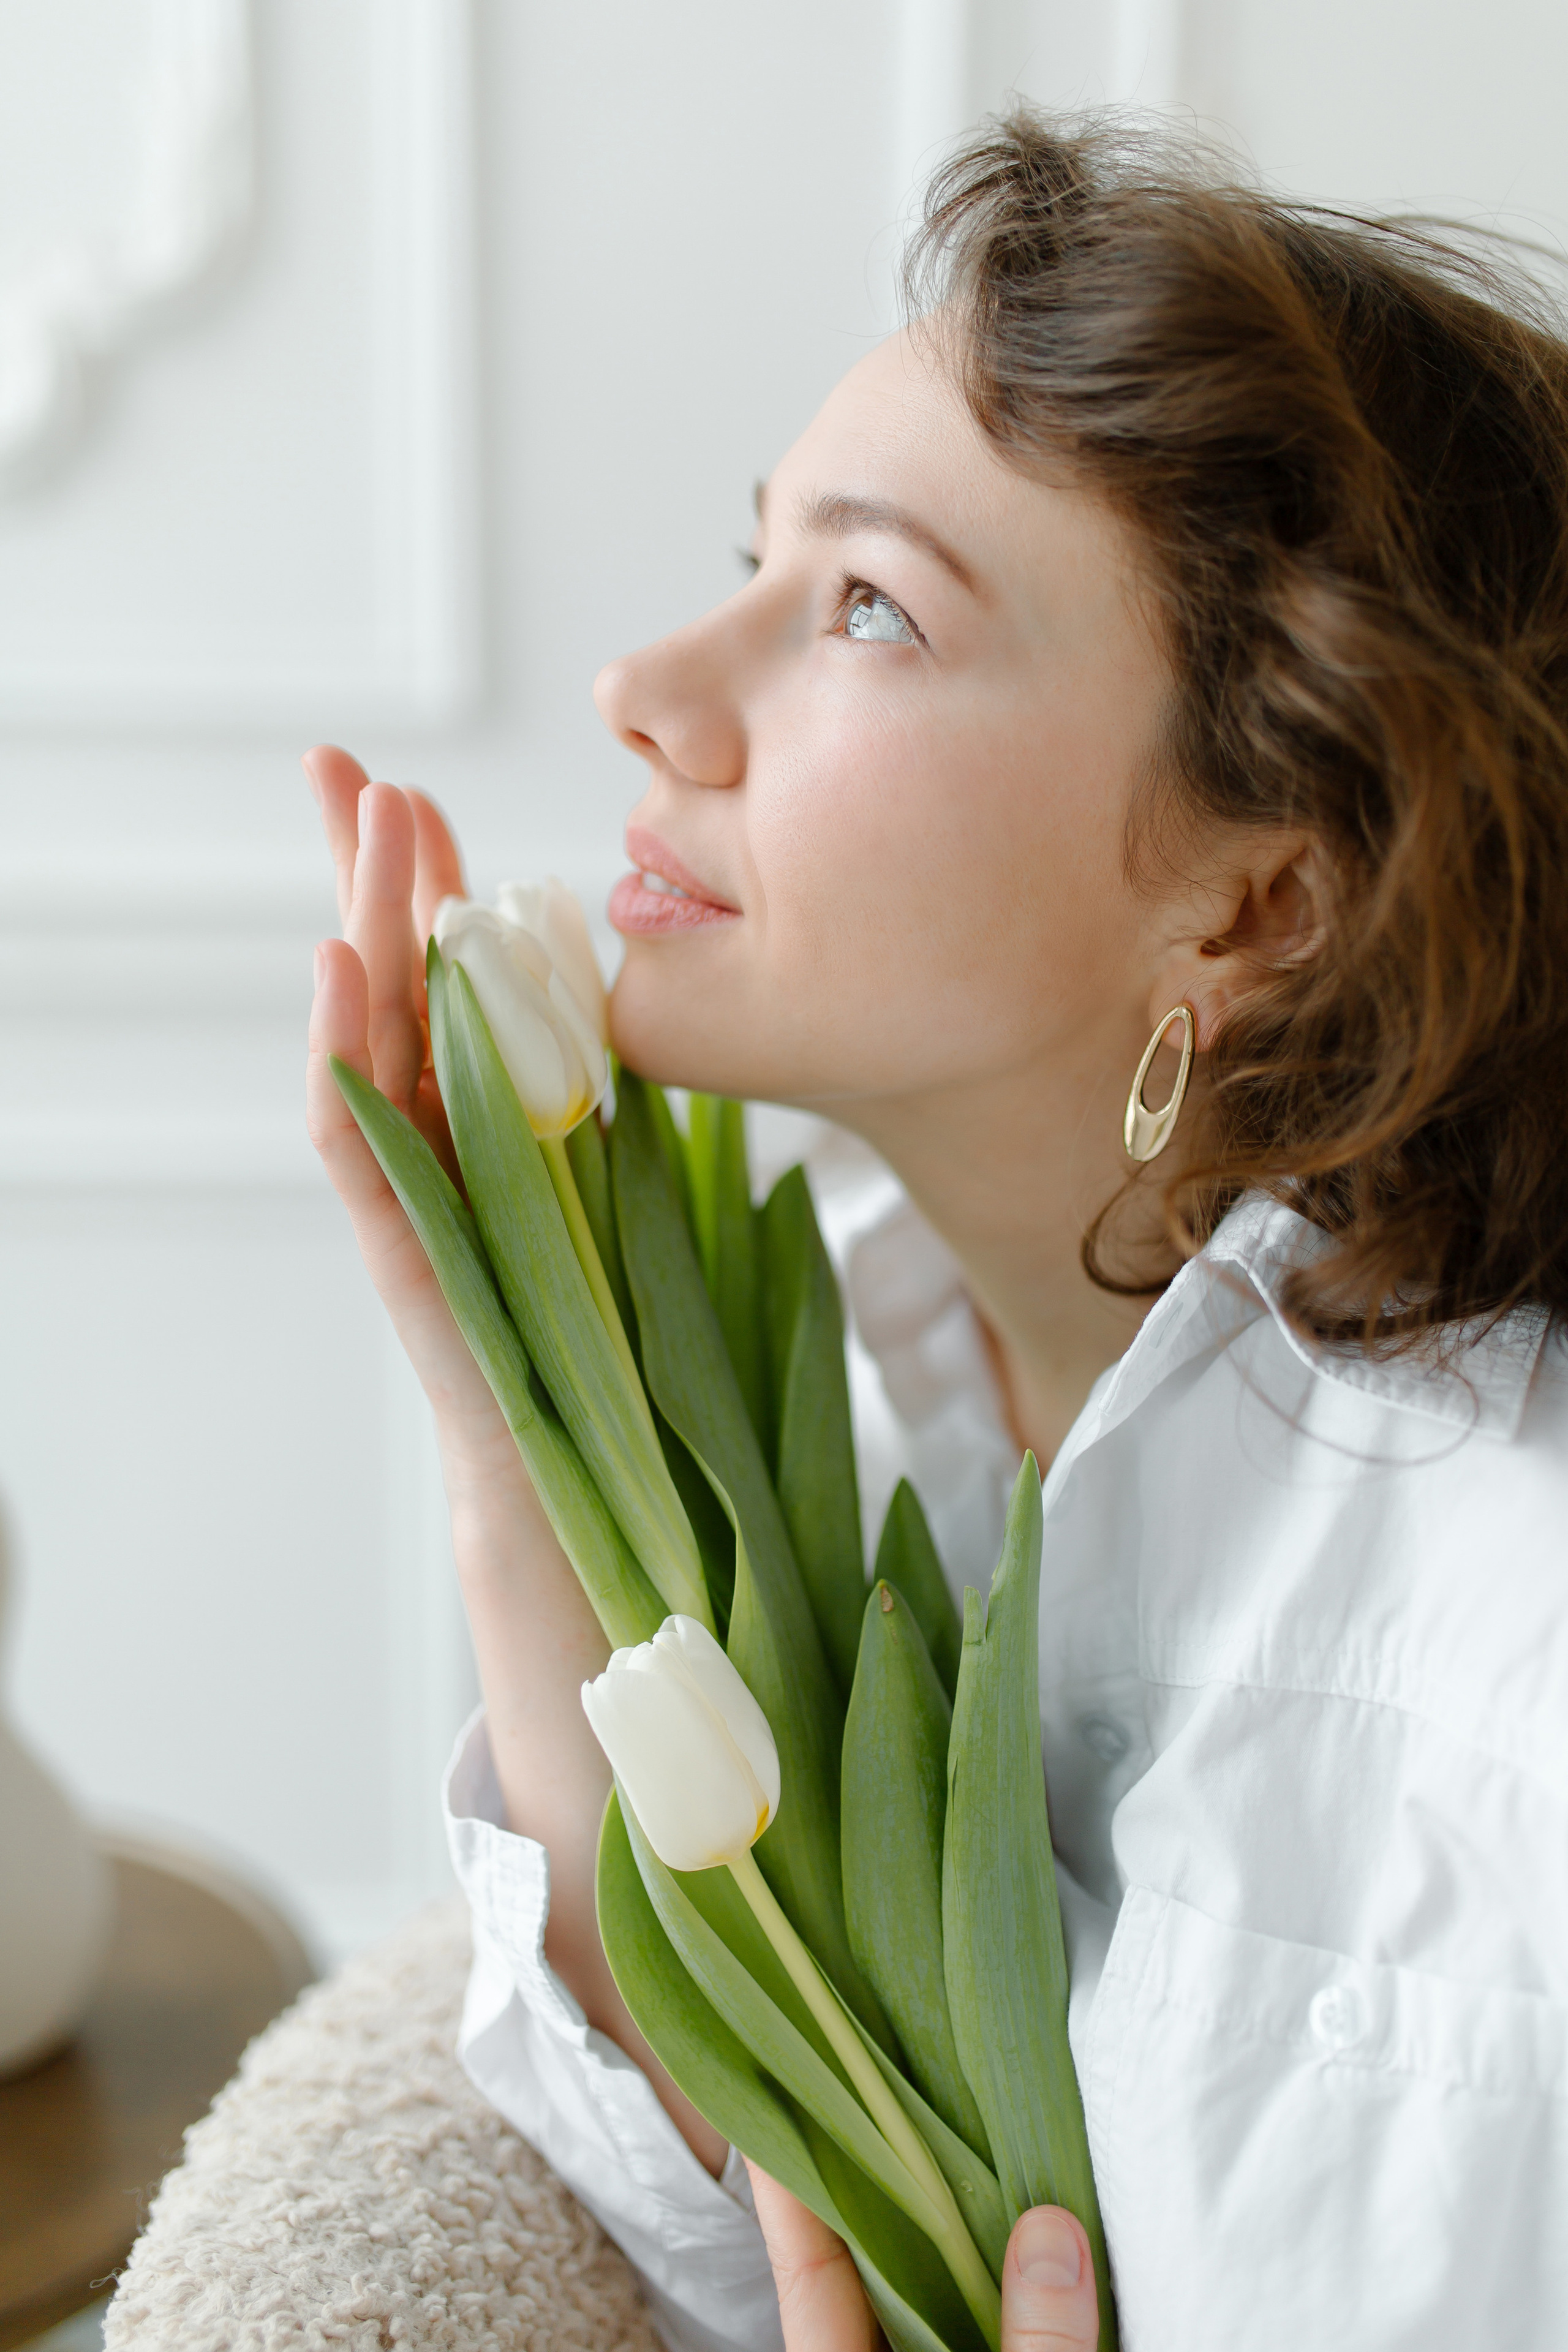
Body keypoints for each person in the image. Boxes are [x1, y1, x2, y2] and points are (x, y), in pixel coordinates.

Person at [304, 111, 1568, 2352]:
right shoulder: (954, 1435)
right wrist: (511, 1418)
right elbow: (767, 2223)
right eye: (757, 560)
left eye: (869, 605)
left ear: (1258, 894)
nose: (649, 692)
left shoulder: (1481, 1700)